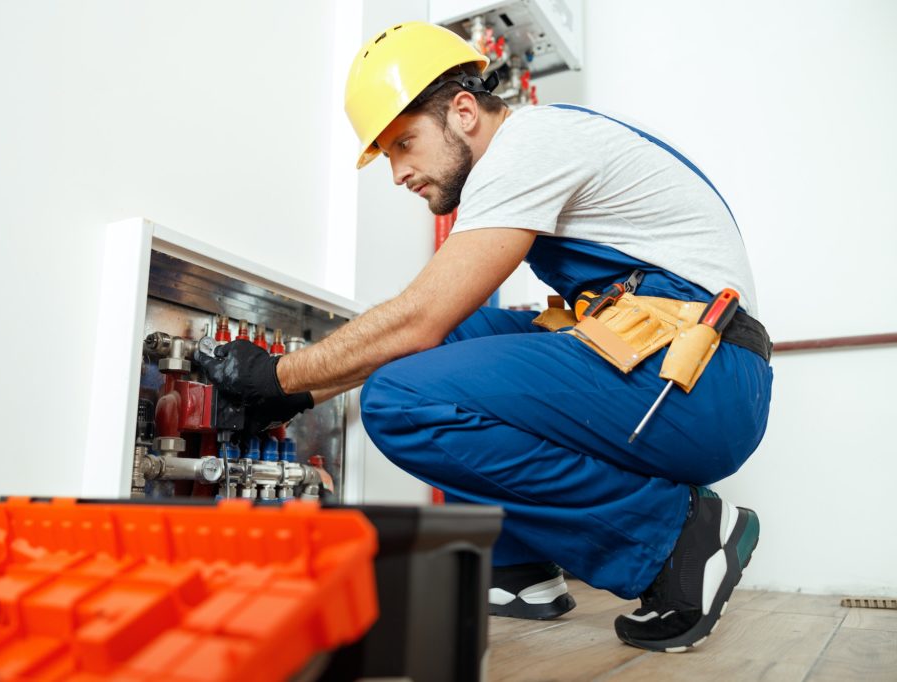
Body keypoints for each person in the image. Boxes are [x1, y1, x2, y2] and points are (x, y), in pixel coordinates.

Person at [196, 21, 772, 653]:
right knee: (455, 337)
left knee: (399, 400)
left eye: (404, 144)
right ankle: (522, 568)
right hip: (676, 361)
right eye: (387, 155)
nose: (398, 173)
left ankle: (673, 540)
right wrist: (302, 395)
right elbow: (433, 327)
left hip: (702, 380)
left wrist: (278, 377)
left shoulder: (531, 144)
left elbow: (419, 316)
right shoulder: (540, 144)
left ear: (464, 111)